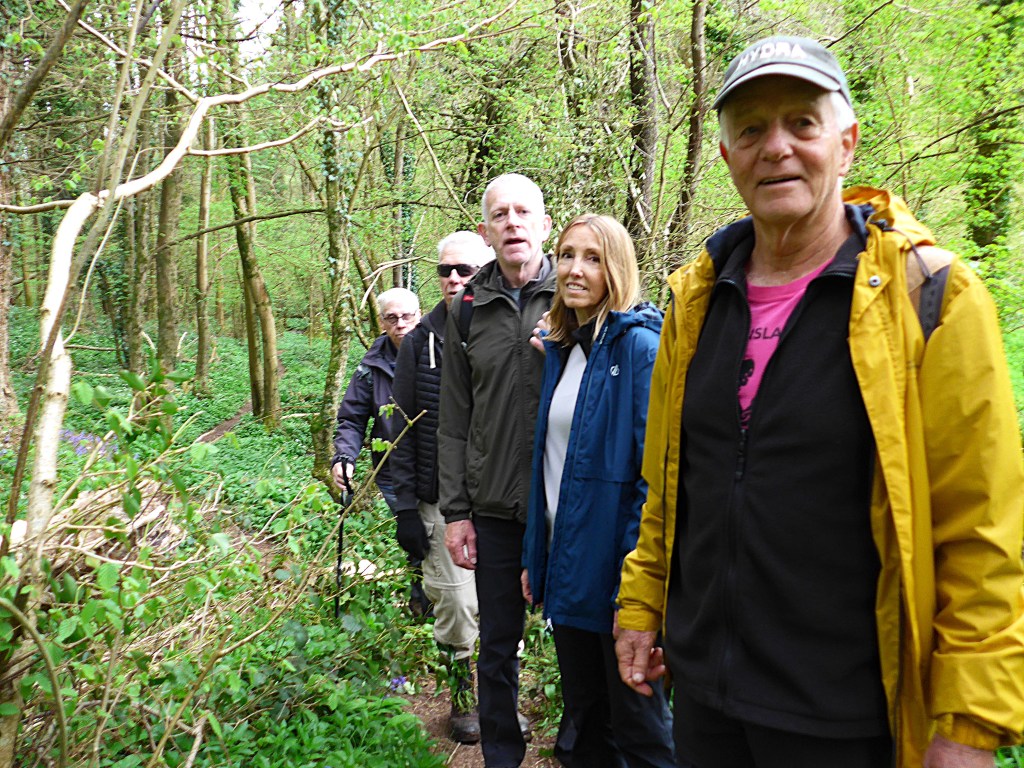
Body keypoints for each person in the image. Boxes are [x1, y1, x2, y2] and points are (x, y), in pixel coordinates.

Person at [614, 35, 1024, 768]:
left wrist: (968, 720)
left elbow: (982, 528)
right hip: (706, 702)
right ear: (727, 156)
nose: (776, 147)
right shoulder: (697, 302)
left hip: (847, 716)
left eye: (801, 122)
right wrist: (642, 606)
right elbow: (670, 489)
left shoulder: (930, 297)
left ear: (846, 143)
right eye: (751, 129)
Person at [521, 214, 674, 768]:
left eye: (592, 258)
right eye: (566, 255)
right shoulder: (564, 350)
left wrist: (635, 590)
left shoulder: (641, 349)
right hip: (569, 568)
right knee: (585, 721)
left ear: (617, 268)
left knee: (639, 729)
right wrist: (536, 555)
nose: (575, 270)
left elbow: (654, 481)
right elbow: (551, 465)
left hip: (616, 578)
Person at [438, 173, 554, 768]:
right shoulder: (465, 310)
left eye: (523, 212)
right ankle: (502, 756)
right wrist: (456, 512)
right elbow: (454, 419)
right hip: (495, 508)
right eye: (500, 214)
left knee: (586, 641)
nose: (513, 222)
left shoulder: (578, 292)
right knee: (498, 647)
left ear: (544, 225)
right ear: (486, 232)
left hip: (565, 505)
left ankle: (582, 745)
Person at [391, 231, 494, 744]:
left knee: (499, 605)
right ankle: (462, 696)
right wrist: (404, 508)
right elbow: (401, 428)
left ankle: (499, 698)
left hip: (500, 497)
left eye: (465, 270)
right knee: (455, 604)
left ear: (485, 270)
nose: (453, 278)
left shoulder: (506, 328)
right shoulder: (418, 341)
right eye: (445, 270)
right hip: (439, 499)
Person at [331, 287, 428, 612]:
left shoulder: (438, 352)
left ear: (419, 316)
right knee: (415, 536)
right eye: (392, 318)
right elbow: (352, 417)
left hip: (436, 467)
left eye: (407, 316)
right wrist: (344, 456)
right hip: (392, 471)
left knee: (440, 535)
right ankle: (422, 603)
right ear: (382, 321)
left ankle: (441, 602)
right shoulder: (371, 367)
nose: (400, 324)